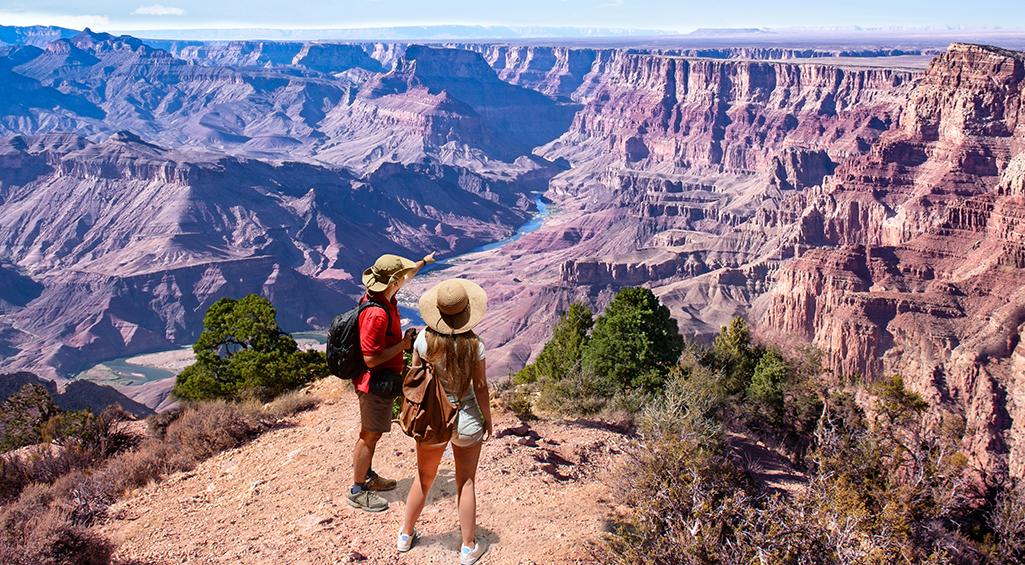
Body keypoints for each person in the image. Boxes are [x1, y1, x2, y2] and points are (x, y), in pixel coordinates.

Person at [397, 278, 493, 564]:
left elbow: (416, 378)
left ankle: (405, 534)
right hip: (467, 419)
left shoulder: (423, 341)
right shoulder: (474, 345)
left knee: (424, 478)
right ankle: (467, 547)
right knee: (466, 482)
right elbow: (481, 387)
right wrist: (488, 420)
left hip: (432, 419)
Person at [348, 252, 434, 513]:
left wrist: (423, 262)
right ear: (392, 281)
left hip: (381, 381)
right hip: (372, 384)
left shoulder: (384, 296)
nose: (403, 280)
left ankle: (368, 477)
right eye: (400, 277)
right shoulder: (377, 314)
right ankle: (357, 490)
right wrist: (403, 346)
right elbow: (371, 358)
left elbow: (406, 276)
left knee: (373, 434)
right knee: (369, 435)